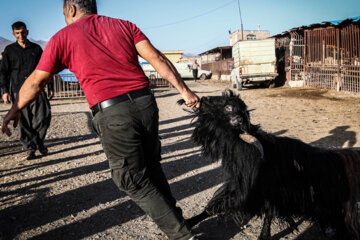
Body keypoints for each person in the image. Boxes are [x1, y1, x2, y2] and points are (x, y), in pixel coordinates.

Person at [1, 1, 200, 240]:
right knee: (151, 168)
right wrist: (185, 91)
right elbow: (157, 58)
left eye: (64, 12)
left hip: (113, 112)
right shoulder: (124, 26)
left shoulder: (62, 38)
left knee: (130, 180)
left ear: (71, 9)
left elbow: (36, 82)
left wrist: (15, 109)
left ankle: (182, 235)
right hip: (146, 103)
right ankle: (176, 220)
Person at [0, 21, 53, 160]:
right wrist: (5, 91)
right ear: (13, 34)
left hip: (37, 90)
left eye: (23, 32)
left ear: (27, 32)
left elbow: (46, 68)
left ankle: (39, 141)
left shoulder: (36, 49)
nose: (21, 35)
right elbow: (3, 72)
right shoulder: (9, 50)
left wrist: (50, 86)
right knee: (23, 122)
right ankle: (30, 148)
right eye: (17, 33)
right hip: (18, 91)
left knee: (44, 117)